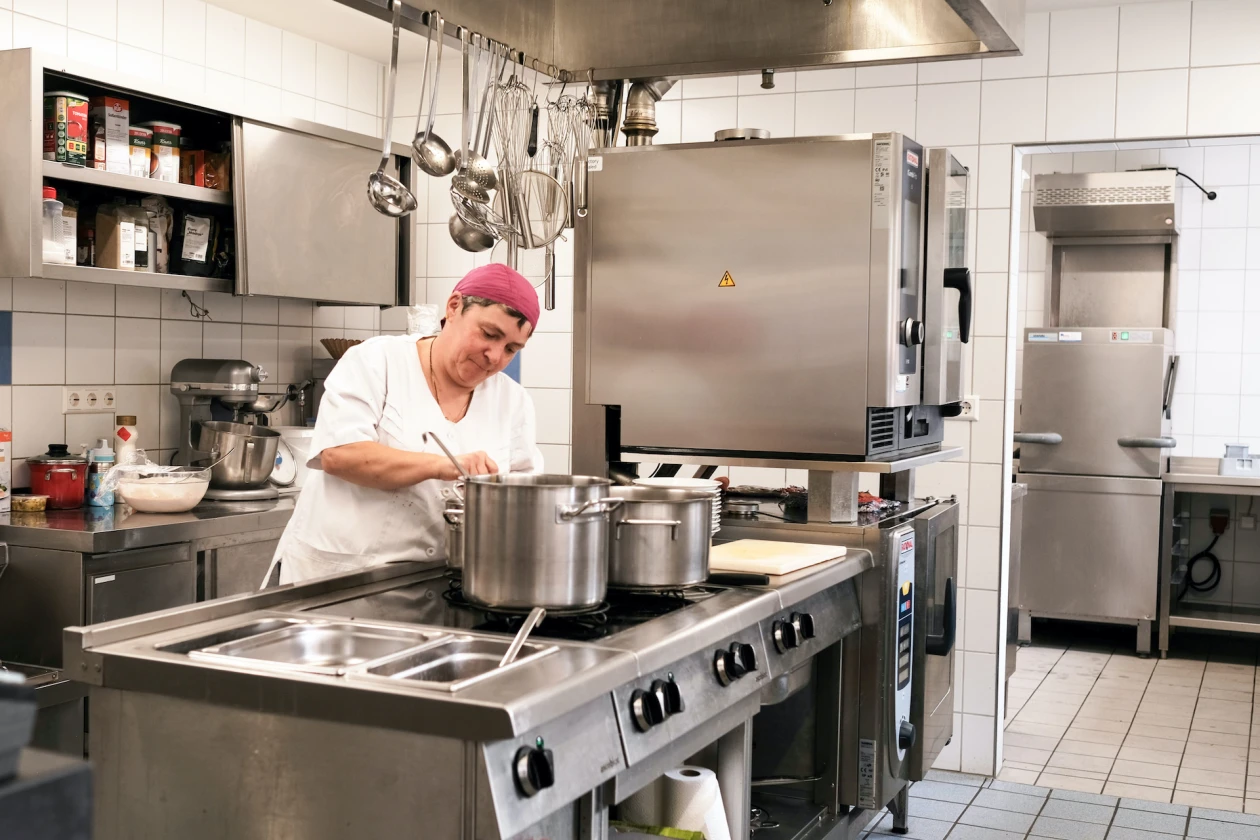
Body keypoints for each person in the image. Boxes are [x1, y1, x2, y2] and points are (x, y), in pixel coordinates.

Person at [267, 263, 543, 586]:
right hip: (337, 585)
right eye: (489, 334)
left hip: (437, 593)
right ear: (454, 307)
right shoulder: (376, 362)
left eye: (511, 348)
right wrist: (443, 466)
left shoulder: (513, 402)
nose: (495, 356)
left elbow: (527, 500)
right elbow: (339, 455)